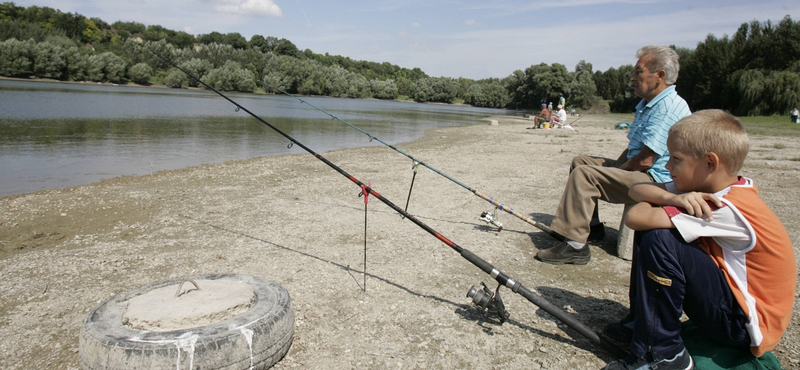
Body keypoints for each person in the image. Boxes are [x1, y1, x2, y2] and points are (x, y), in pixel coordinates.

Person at [602, 110, 796, 370]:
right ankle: (642, 321)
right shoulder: (721, 186)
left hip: (743, 328)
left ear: (710, 163)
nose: (668, 166)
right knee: (657, 229)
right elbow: (635, 190)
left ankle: (664, 354)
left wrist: (665, 201)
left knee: (660, 237)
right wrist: (672, 198)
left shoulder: (720, 206)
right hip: (736, 312)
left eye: (676, 158)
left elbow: (636, 217)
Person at [536, 45, 691, 264]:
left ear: (660, 76)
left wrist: (616, 171)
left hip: (657, 181)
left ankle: (575, 247)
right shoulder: (649, 104)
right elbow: (634, 149)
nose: (631, 78)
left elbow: (646, 160)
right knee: (581, 162)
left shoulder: (667, 107)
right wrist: (615, 167)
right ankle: (592, 226)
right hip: (643, 170)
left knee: (585, 175)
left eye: (638, 72)